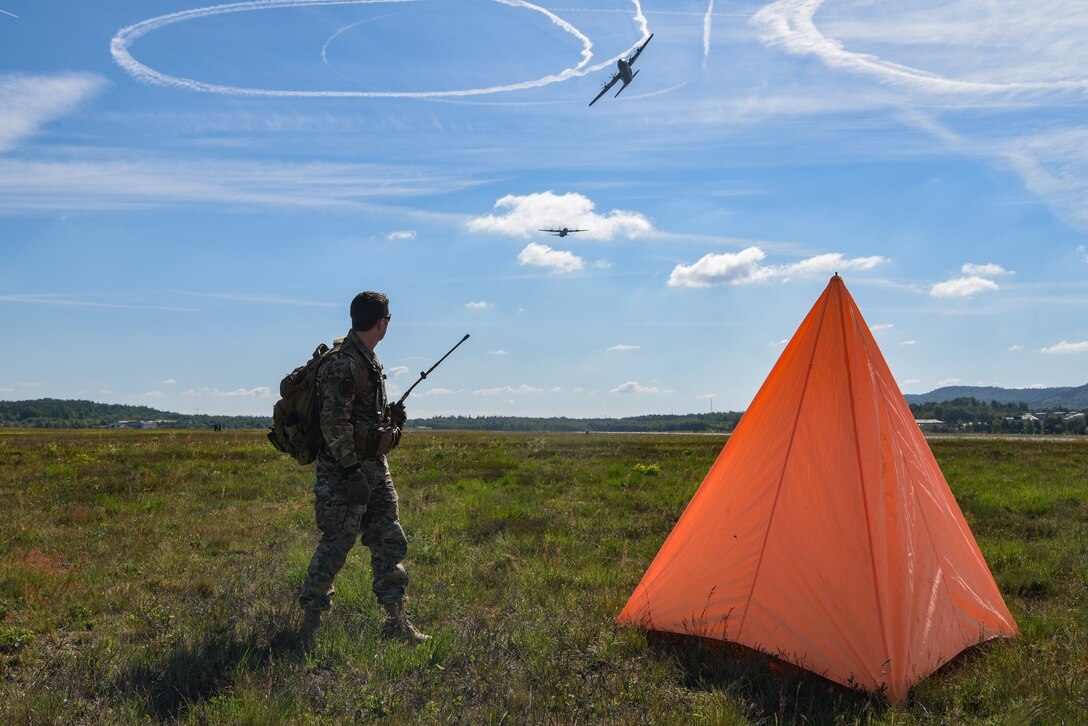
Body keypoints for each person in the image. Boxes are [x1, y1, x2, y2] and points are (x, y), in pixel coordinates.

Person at [298, 291, 429, 644]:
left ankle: (397, 621)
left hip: (374, 468)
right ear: (382, 322)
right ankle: (309, 623)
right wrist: (351, 472)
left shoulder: (368, 359)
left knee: (389, 540)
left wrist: (390, 422)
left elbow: (359, 417)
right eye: (389, 319)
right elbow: (333, 422)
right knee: (337, 543)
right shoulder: (343, 362)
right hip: (344, 473)